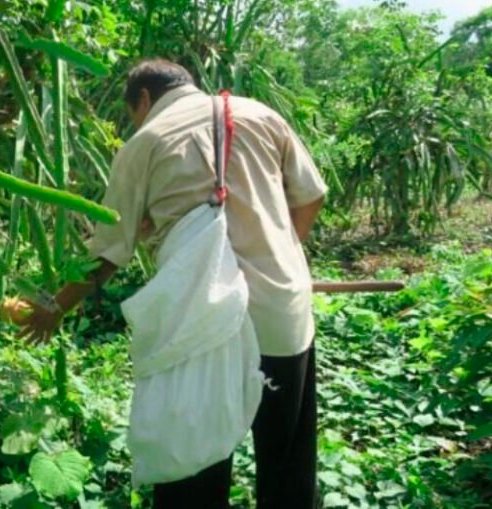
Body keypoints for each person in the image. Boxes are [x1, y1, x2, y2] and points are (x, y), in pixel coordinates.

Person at [19, 59, 327, 509]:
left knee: (191, 470)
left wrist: (55, 307)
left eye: (133, 114)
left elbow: (107, 252)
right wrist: (282, 253)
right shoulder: (261, 115)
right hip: (281, 314)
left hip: (199, 323)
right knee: (287, 466)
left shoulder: (145, 143)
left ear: (143, 99)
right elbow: (311, 195)